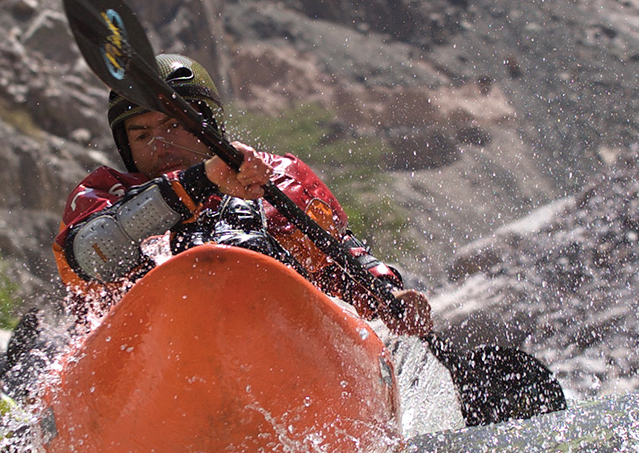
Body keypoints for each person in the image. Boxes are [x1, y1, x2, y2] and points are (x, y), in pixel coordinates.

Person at [53, 53, 432, 337]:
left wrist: (384, 294)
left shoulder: (278, 178)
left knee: (240, 222)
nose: (160, 143)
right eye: (141, 135)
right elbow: (95, 253)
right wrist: (199, 181)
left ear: (206, 126)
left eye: (173, 125)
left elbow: (335, 256)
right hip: (152, 344)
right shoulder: (104, 193)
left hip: (278, 335)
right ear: (127, 148)